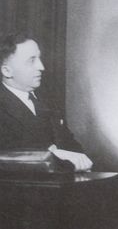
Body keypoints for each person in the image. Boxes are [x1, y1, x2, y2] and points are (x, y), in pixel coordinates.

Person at [0, 32, 93, 172]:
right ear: (7, 71)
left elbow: (74, 149)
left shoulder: (48, 102)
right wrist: (52, 154)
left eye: (39, 58)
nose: (41, 66)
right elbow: (6, 155)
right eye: (31, 60)